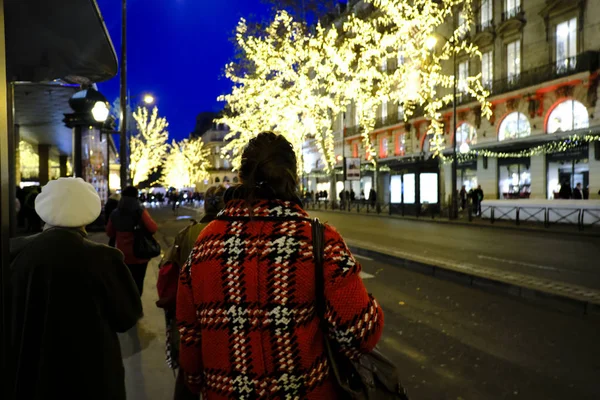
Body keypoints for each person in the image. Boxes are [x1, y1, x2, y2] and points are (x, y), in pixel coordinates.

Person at [177, 132, 384, 399]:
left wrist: (201, 383)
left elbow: (190, 341)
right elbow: (362, 335)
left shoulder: (206, 244)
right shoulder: (319, 241)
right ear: (293, 179)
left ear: (241, 177)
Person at [9, 178, 142, 400]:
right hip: (91, 377)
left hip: (31, 374)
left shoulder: (16, 253)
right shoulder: (105, 259)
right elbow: (126, 317)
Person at [156, 185, 226, 400]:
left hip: (191, 311)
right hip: (224, 316)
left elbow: (167, 272)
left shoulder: (187, 234)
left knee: (188, 375)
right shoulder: (235, 232)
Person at [107, 186, 158, 297]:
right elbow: (153, 228)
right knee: (138, 282)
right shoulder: (140, 211)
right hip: (139, 254)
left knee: (124, 283)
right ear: (136, 196)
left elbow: (109, 232)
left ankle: (126, 306)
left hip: (121, 254)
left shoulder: (115, 213)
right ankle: (136, 306)